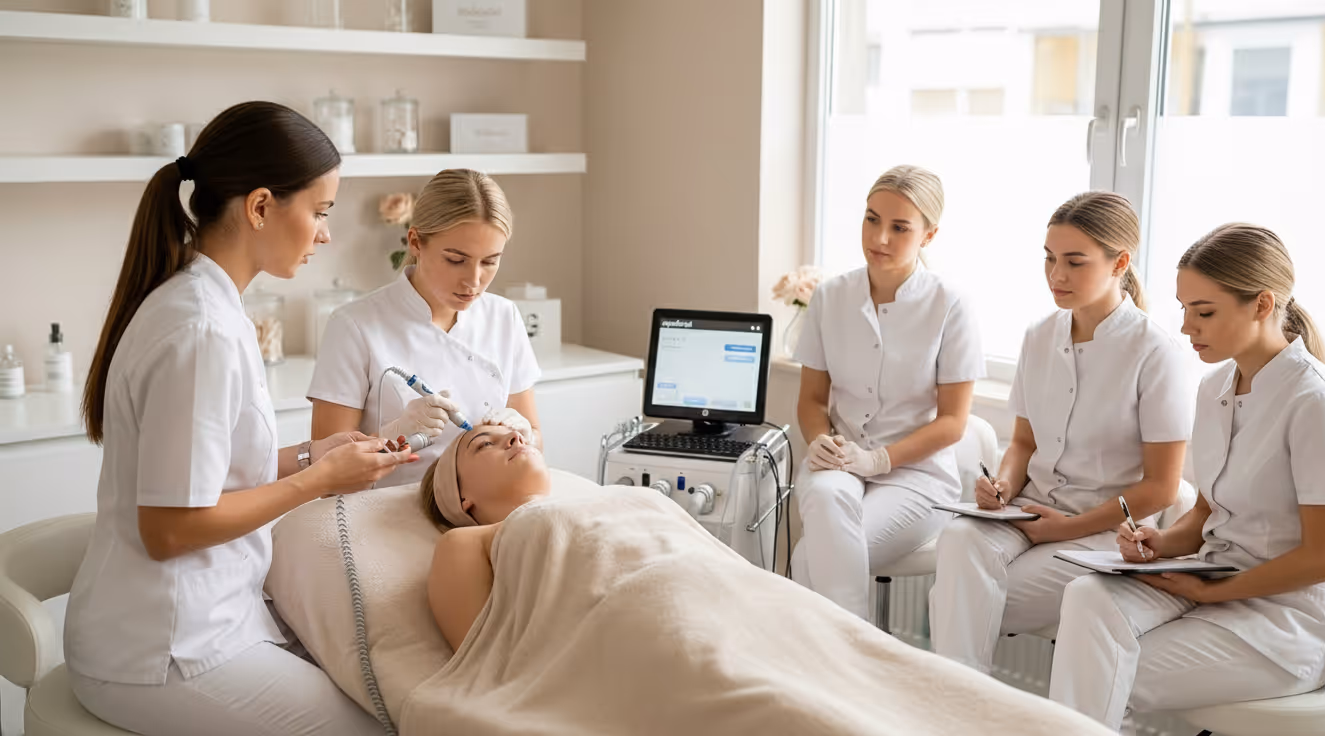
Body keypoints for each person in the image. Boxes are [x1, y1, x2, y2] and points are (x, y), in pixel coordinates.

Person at [64, 101, 416, 736]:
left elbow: (209, 474)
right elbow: (170, 528)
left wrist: (313, 455)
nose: (326, 234)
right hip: (161, 651)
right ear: (259, 207)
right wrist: (317, 481)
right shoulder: (201, 330)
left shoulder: (202, 303)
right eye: (321, 211)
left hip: (197, 620)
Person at [397, 425, 1109, 736]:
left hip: (750, 604)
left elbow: (718, 565)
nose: (512, 435)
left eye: (514, 433)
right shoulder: (469, 540)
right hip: (651, 632)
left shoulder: (607, 499)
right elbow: (496, 654)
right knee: (786, 707)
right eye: (483, 443)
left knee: (888, 674)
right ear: (462, 497)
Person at [1048, 223, 1325, 732]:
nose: (1186, 327)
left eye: (1204, 312)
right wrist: (1160, 543)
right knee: (1087, 596)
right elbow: (1207, 510)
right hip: (1214, 576)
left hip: (1284, 621)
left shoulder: (1320, 403)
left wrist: (1213, 593)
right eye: (1183, 309)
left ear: (1262, 305)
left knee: (1097, 672)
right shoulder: (1215, 386)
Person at [928, 191, 1193, 672]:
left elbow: (1162, 487)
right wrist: (1004, 483)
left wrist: (1066, 528)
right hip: (1028, 512)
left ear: (1120, 263)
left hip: (1102, 531)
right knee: (959, 540)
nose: (1057, 275)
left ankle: (953, 701)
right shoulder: (1039, 336)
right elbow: (1023, 443)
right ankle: (959, 702)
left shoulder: (1156, 353)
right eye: (1049, 258)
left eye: (1074, 261)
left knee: (959, 601)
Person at [788, 164, 984, 618]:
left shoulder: (950, 304)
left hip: (916, 476)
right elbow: (812, 400)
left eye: (900, 227)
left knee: (809, 560)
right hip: (839, 459)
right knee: (826, 498)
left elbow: (953, 422)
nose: (879, 238)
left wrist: (878, 460)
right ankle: (855, 653)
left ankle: (839, 652)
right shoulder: (830, 297)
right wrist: (820, 440)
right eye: (872, 219)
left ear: (929, 235)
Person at [309, 168, 541, 488]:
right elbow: (326, 475)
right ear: (416, 241)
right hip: (389, 508)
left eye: (490, 261)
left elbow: (537, 445)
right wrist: (393, 436)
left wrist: (527, 435)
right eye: (456, 260)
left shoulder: (504, 317)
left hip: (485, 504)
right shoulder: (354, 325)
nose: (474, 281)